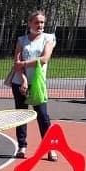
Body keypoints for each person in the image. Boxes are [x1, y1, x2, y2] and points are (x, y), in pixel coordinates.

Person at [10, 9, 57, 160]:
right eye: (36, 22)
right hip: (20, 82)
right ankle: (22, 146)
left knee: (43, 116)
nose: (40, 25)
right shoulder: (21, 40)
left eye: (42, 22)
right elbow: (17, 63)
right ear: (30, 23)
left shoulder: (49, 38)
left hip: (37, 84)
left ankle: (49, 148)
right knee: (21, 115)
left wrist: (24, 63)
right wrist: (23, 79)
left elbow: (44, 59)